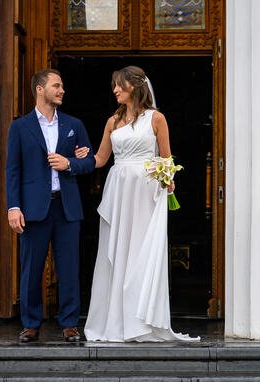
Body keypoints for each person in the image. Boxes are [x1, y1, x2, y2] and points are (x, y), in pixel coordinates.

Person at [76, 66, 198, 342]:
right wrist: (80, 158)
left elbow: (166, 158)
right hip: (118, 190)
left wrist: (168, 179)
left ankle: (141, 321)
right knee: (116, 250)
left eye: (119, 85)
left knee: (140, 252)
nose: (115, 90)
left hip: (145, 191)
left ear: (135, 86)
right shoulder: (112, 121)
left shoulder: (156, 118)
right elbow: (100, 159)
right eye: (114, 85)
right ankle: (115, 322)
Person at [6, 69, 96, 342]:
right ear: (40, 89)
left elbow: (90, 162)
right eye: (57, 86)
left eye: (62, 86)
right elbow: (13, 171)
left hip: (67, 208)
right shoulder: (19, 127)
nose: (62, 90)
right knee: (31, 269)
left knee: (69, 269)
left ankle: (69, 324)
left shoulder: (73, 124)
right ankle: (31, 324)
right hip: (33, 209)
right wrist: (13, 207)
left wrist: (70, 163)